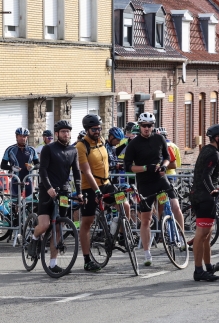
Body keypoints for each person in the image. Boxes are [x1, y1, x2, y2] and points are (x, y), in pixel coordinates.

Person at [27, 120, 83, 273]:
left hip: (63, 191)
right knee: (44, 225)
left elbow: (77, 173)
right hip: (47, 191)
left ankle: (53, 263)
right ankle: (35, 237)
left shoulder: (73, 150)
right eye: (63, 132)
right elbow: (43, 171)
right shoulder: (48, 149)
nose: (66, 134)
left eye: (68, 131)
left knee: (58, 228)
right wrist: (49, 187)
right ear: (57, 134)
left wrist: (79, 192)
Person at [124, 112, 177, 267]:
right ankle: (147, 253)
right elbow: (128, 167)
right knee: (146, 219)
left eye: (150, 126)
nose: (147, 128)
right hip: (145, 183)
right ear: (139, 126)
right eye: (144, 126)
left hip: (161, 179)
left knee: (175, 205)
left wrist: (164, 166)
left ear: (153, 126)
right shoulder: (133, 144)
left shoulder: (159, 138)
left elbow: (167, 158)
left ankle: (181, 240)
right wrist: (146, 167)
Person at [190, 124, 219, 282]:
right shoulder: (213, 154)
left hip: (200, 195)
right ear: (217, 138)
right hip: (204, 197)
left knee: (207, 235)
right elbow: (206, 176)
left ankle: (207, 267)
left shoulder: (211, 151)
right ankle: (198, 271)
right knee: (201, 235)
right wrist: (212, 191)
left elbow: (213, 175)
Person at [76, 114, 115, 272]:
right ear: (87, 130)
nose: (98, 131)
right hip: (89, 188)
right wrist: (97, 191)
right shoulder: (81, 146)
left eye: (99, 128)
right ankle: (87, 260)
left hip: (106, 183)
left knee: (124, 205)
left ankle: (115, 235)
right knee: (87, 222)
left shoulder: (102, 141)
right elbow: (86, 172)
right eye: (94, 129)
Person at [1, 128, 39, 198]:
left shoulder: (32, 150)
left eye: (24, 136)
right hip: (15, 180)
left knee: (29, 205)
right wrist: (11, 167)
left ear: (27, 137)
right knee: (15, 205)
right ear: (16, 137)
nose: (22, 138)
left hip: (28, 180)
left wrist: (33, 167)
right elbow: (2, 165)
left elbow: (38, 164)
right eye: (20, 136)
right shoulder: (10, 149)